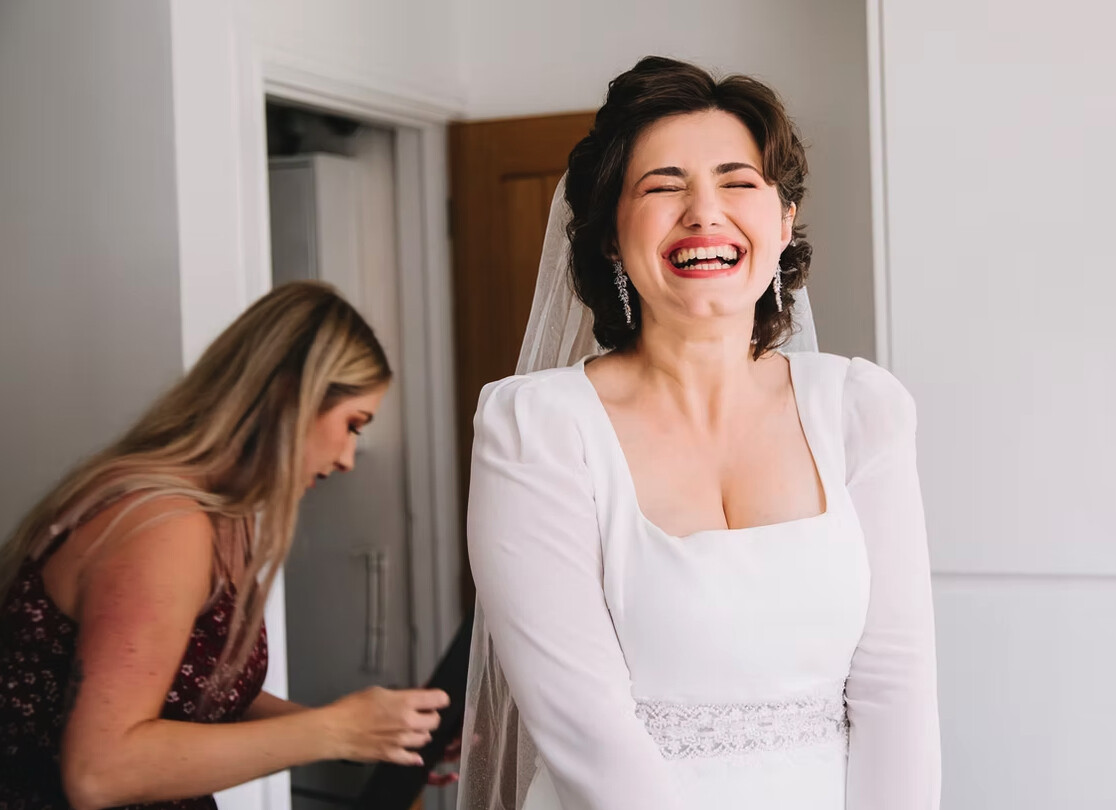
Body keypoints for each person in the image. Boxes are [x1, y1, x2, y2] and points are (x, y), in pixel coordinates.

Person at [458, 57, 940, 810]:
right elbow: (582, 724)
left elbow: (896, 687)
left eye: (737, 181)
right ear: (612, 236)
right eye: (662, 186)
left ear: (782, 222)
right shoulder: (536, 427)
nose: (703, 212)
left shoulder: (860, 408)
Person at [0, 281, 453, 810]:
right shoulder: (162, 525)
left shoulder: (220, 517)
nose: (349, 458)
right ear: (289, 396)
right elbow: (101, 771)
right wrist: (334, 731)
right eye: (352, 424)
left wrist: (371, 735)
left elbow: (189, 692)